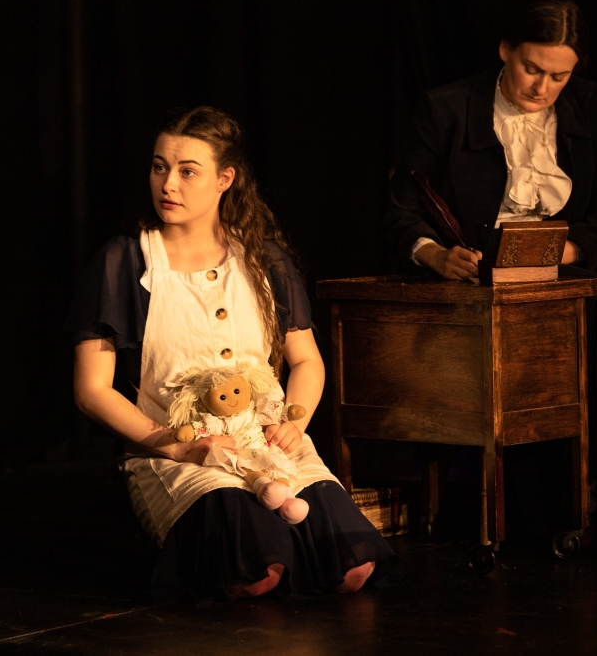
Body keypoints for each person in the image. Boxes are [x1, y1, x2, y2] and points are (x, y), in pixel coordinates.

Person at [385, 0, 597, 558]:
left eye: (559, 75)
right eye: (532, 68)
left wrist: (569, 249)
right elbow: (401, 206)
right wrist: (433, 254)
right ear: (506, 51)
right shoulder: (448, 108)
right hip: (488, 258)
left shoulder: (590, 104)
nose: (542, 87)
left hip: (564, 249)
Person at [67, 106, 396, 600]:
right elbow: (91, 389)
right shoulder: (126, 261)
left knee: (353, 566)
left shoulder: (264, 260)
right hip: (179, 455)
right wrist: (173, 444)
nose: (168, 184)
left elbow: (306, 359)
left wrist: (296, 421)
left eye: (187, 171)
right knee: (258, 572)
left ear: (225, 179)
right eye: (160, 167)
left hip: (269, 449)